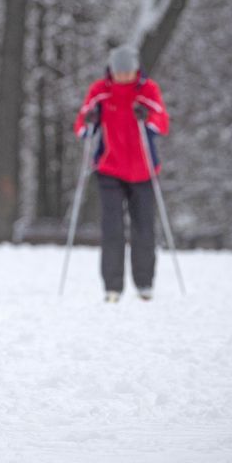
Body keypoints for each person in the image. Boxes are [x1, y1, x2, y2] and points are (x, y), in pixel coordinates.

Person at [72, 45, 170, 303]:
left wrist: (147, 117)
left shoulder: (147, 90)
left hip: (143, 170)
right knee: (112, 228)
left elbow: (161, 122)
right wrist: (90, 121)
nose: (124, 77)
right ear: (111, 71)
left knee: (144, 228)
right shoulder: (100, 91)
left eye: (128, 72)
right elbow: (82, 125)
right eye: (119, 72)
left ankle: (145, 283)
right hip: (109, 169)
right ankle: (112, 287)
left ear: (136, 70)